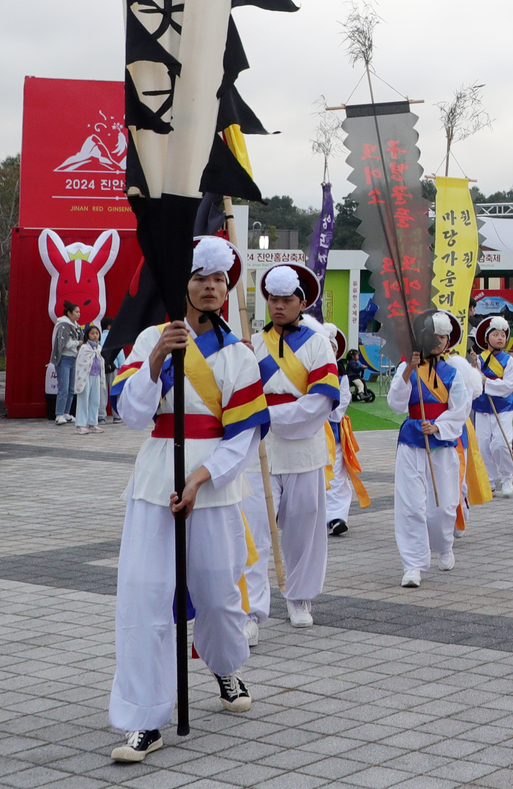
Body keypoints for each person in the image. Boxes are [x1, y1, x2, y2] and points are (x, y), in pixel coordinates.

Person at [106, 235, 268, 763]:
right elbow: (131, 415)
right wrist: (154, 361)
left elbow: (243, 434)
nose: (209, 286)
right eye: (199, 277)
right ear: (183, 283)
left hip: (213, 485)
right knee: (144, 595)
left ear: (227, 288)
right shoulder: (152, 336)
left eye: (218, 279)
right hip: (156, 477)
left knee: (220, 596)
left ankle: (225, 667)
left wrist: (200, 478)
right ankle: (145, 717)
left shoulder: (241, 354)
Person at [243, 263, 340, 633]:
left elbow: (320, 402)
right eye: (273, 299)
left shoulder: (318, 344)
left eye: (286, 299)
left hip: (304, 449)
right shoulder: (251, 344)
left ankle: (300, 597)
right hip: (259, 449)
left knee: (303, 529)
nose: (279, 306)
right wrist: (259, 417)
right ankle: (250, 612)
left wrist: (267, 412)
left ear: (301, 302)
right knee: (254, 531)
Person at [388, 311, 481, 586]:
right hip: (411, 440)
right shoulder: (408, 367)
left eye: (444, 337)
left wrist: (439, 426)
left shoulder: (453, 373)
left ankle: (445, 544)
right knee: (410, 505)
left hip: (441, 442)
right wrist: (408, 369)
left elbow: (461, 409)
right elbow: (395, 402)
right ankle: (413, 564)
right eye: (435, 336)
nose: (439, 342)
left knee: (442, 507)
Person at [323, 323, 368, 536]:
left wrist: (326, 413)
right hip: (310, 432)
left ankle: (336, 517)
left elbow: (342, 401)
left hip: (333, 430)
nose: (329, 351)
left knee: (338, 474)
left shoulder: (341, 373)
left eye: (332, 347)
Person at [472, 316, 513, 498]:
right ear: (486, 338)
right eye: (496, 334)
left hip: (503, 408)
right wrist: (476, 375)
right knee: (483, 445)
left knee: (501, 443)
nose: (500, 338)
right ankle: (489, 479)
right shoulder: (478, 360)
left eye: (503, 335)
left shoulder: (509, 360)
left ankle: (507, 477)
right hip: (482, 407)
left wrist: (486, 381)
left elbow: (508, 385)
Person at [51, 302, 83, 425]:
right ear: (69, 313)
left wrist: (78, 343)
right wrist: (78, 343)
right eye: (77, 312)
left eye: (79, 312)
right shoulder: (63, 325)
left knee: (71, 388)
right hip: (64, 358)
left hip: (73, 358)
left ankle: (66, 412)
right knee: (63, 387)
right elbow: (66, 344)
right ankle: (59, 414)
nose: (79, 314)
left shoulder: (76, 326)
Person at [73, 323, 105, 434]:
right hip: (86, 376)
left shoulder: (99, 348)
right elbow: (81, 363)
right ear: (88, 335)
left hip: (96, 375)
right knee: (83, 400)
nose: (95, 335)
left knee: (95, 400)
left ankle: (93, 423)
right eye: (92, 333)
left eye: (97, 333)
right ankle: (80, 424)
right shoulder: (85, 348)